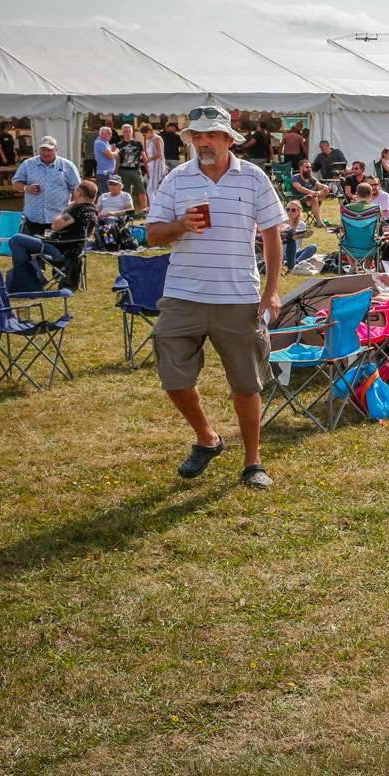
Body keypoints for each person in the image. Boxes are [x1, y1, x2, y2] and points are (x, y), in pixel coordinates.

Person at [145, 108, 286, 491]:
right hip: (183, 294)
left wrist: (271, 290)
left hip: (237, 295)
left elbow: (273, 236)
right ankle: (208, 438)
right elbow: (153, 235)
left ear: (228, 139)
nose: (203, 142)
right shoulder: (176, 180)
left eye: (211, 135)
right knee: (173, 378)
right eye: (196, 136)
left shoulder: (254, 178)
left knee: (246, 384)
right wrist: (180, 225)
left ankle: (253, 462)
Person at [6, 180, 98, 292]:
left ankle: (28, 279)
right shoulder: (93, 211)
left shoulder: (77, 209)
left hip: (61, 250)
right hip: (75, 250)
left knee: (17, 239)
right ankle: (33, 277)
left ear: (79, 194)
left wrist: (66, 209)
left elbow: (55, 225)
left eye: (75, 190)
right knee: (23, 241)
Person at [13, 135, 81, 237]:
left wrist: (72, 209)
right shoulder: (28, 164)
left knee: (54, 249)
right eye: (43, 149)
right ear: (39, 149)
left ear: (56, 150)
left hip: (58, 218)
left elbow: (77, 189)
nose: (45, 153)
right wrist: (26, 188)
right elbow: (15, 184)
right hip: (33, 217)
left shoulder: (67, 166)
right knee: (31, 249)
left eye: (49, 150)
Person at [141, 124, 167, 199]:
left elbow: (159, 154)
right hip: (153, 168)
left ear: (149, 131)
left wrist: (148, 159)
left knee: (151, 189)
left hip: (157, 167)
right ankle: (156, 207)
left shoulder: (157, 139)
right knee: (154, 189)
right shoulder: (151, 140)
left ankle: (154, 207)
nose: (144, 136)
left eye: (144, 134)